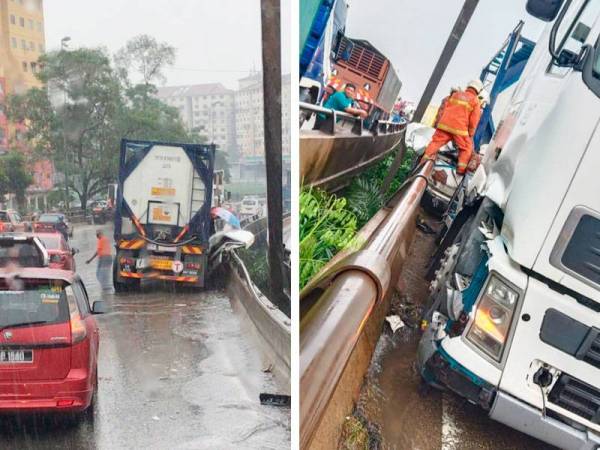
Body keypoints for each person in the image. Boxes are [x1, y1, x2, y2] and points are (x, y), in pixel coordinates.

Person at [421, 79, 483, 175]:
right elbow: (473, 121)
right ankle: (460, 171)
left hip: (444, 125)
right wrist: (470, 134)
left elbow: (446, 109)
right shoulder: (475, 101)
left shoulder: (456, 95)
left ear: (468, 86)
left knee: (435, 142)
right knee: (466, 148)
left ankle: (423, 162)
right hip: (459, 129)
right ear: (478, 90)